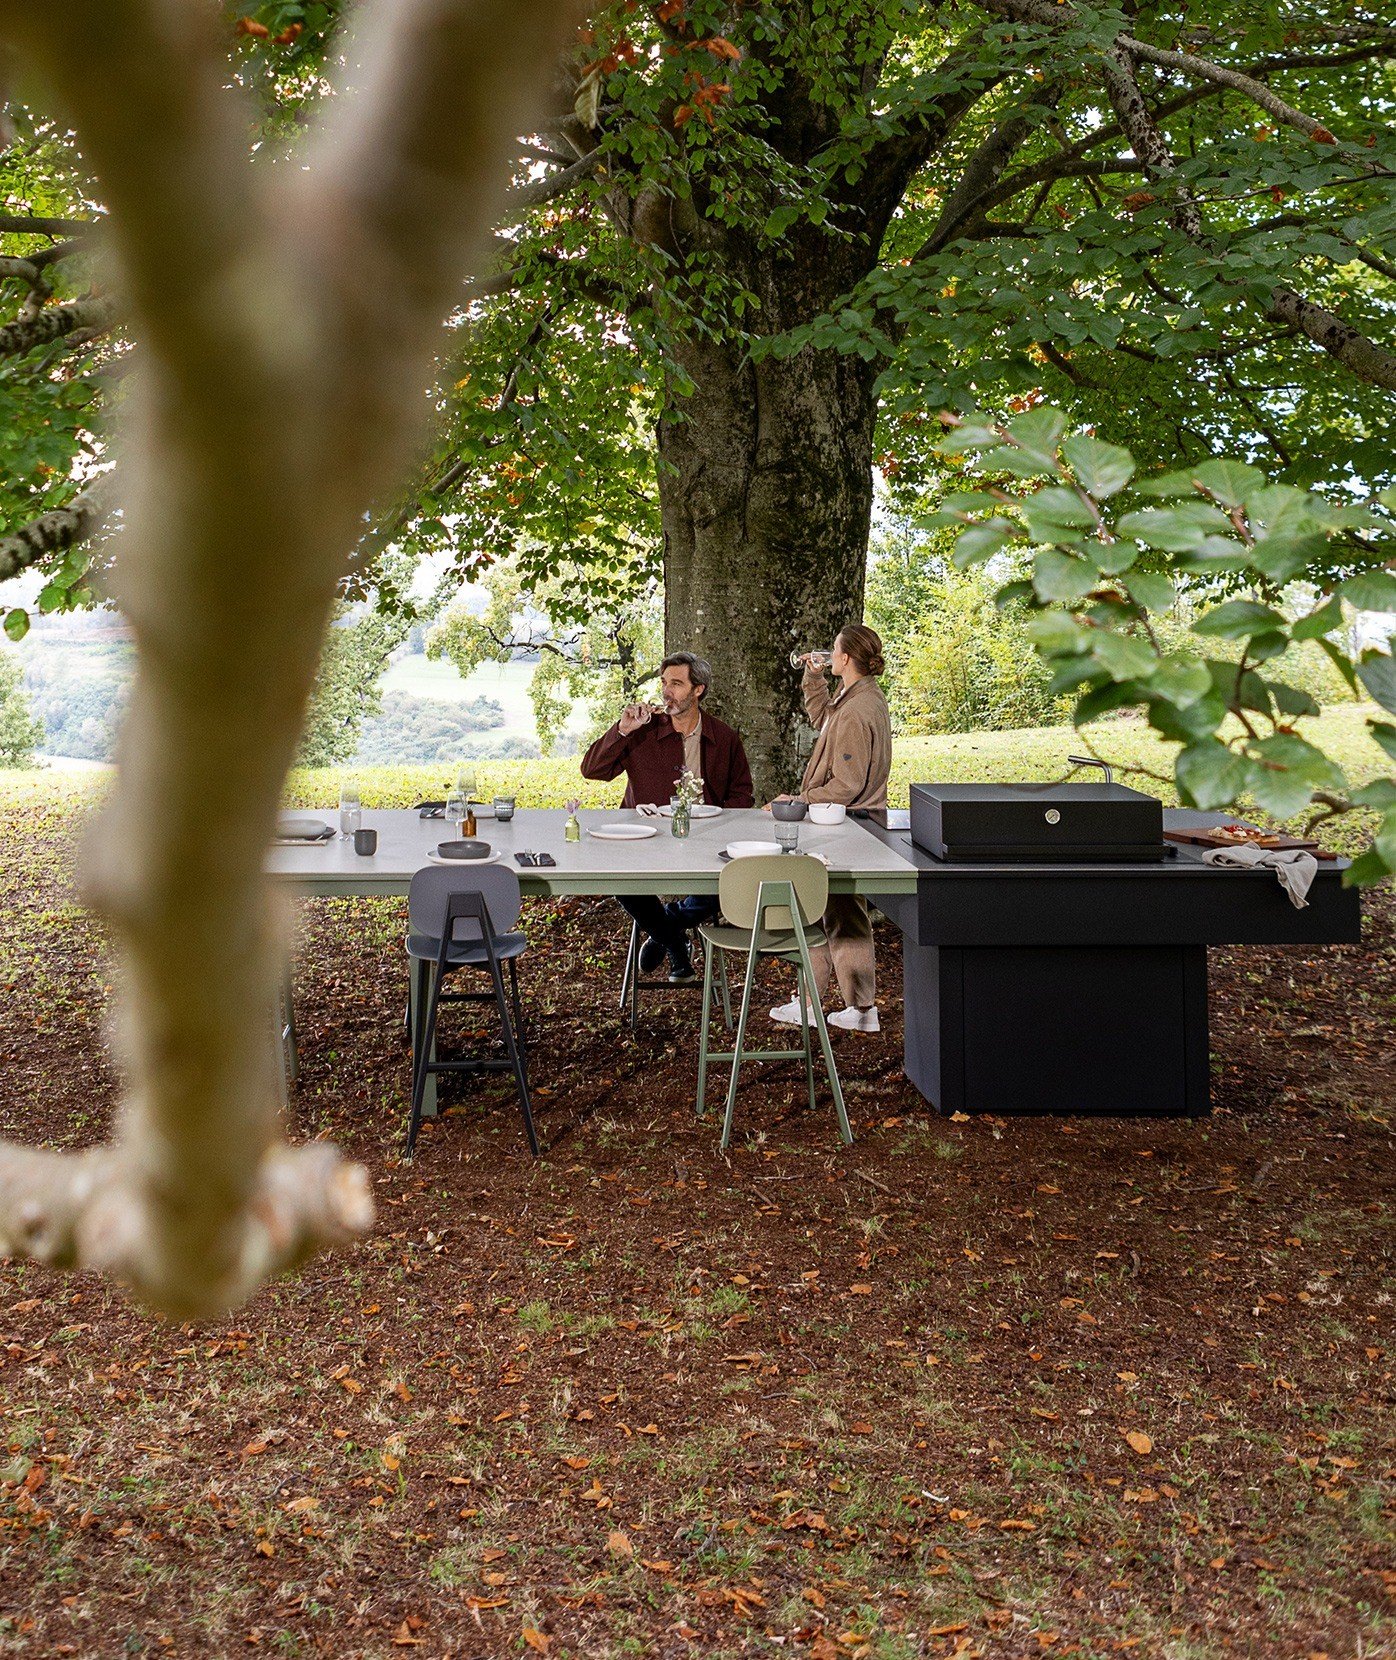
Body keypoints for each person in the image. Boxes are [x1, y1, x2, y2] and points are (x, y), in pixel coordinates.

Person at [580, 651, 754, 982]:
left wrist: (719, 826)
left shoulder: (725, 737)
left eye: (676, 683)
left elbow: (742, 793)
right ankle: (675, 942)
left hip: (705, 842)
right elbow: (592, 770)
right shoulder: (642, 732)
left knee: (729, 884)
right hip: (645, 841)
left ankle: (666, 926)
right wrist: (622, 729)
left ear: (698, 689)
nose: (666, 691)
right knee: (620, 880)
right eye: (664, 683)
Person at [769, 623, 892, 1032]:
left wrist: (799, 802)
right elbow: (823, 717)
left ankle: (829, 1005)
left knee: (824, 908)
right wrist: (813, 678)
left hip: (848, 822)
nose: (827, 655)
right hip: (848, 820)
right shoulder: (858, 696)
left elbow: (847, 784)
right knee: (838, 912)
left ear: (845, 657)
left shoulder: (859, 710)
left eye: (832, 652)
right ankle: (858, 1009)